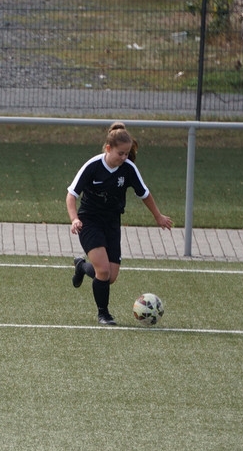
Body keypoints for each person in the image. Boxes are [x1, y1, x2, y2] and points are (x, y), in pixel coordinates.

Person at [66, 122, 173, 326]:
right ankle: (103, 314)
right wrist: (75, 219)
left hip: (112, 223)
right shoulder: (93, 166)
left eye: (127, 154)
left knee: (110, 276)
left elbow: (144, 194)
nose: (124, 158)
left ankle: (81, 266)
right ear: (108, 148)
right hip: (89, 222)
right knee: (103, 271)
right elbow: (71, 196)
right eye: (121, 153)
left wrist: (158, 216)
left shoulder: (128, 169)